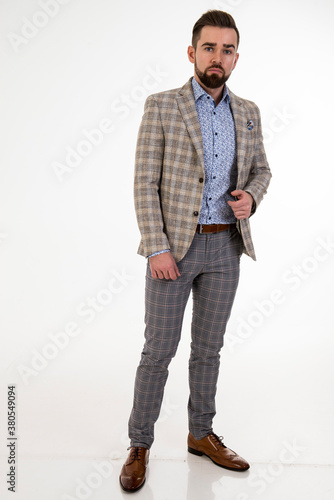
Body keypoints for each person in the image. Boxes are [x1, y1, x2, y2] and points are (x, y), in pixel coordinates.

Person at [119, 10, 271, 493]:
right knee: (158, 351)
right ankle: (140, 443)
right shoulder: (162, 106)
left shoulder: (248, 112)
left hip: (226, 247)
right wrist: (157, 248)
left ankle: (200, 433)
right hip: (174, 253)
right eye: (209, 47)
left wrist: (252, 196)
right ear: (192, 52)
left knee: (209, 350)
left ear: (236, 57)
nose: (217, 57)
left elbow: (262, 171)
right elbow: (145, 182)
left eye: (227, 50)